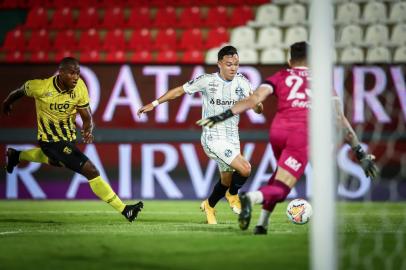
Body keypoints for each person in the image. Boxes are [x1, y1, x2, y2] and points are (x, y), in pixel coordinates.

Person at [197, 41, 378, 233]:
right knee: (282, 189)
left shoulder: (281, 75)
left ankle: (262, 224)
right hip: (300, 137)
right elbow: (340, 121)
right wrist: (360, 152)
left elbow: (254, 99)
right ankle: (249, 198)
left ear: (290, 61)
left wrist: (222, 115)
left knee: (277, 177)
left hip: (277, 132)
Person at [2, 57, 143, 222]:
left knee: (57, 161)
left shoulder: (79, 86)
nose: (76, 77)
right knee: (91, 170)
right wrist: (7, 102)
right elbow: (19, 91)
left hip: (68, 138)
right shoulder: (40, 87)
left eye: (78, 73)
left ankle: (16, 155)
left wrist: (88, 128)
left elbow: (86, 114)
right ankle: (125, 210)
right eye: (72, 73)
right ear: (61, 73)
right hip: (50, 140)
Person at [137, 46, 263, 224]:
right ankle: (233, 195)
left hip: (232, 137)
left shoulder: (243, 82)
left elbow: (258, 109)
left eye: (236, 64)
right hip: (213, 137)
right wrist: (154, 103)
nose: (233, 68)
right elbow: (179, 91)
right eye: (229, 64)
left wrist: (256, 104)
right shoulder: (207, 81)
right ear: (219, 64)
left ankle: (209, 205)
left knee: (226, 180)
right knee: (245, 168)